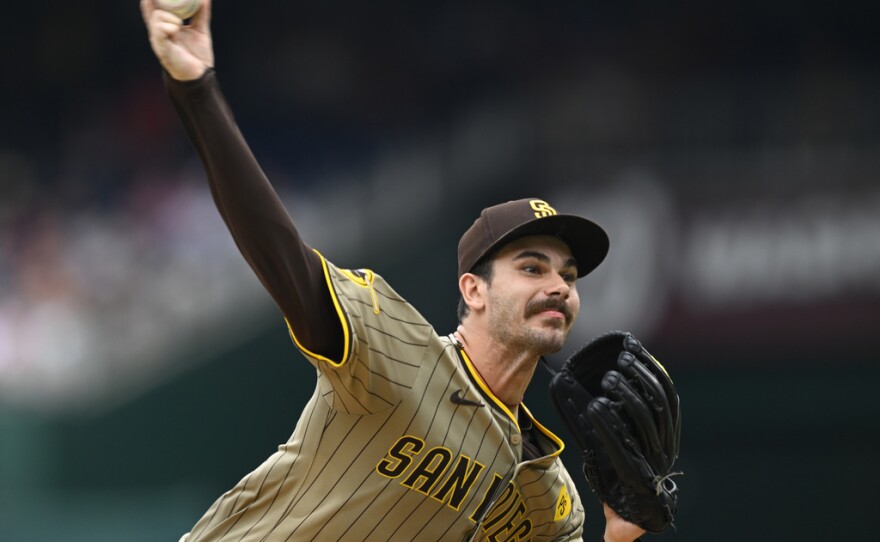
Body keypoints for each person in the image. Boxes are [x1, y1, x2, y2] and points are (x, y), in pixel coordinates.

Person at [142, 1, 647, 540]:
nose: (558, 287)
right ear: (474, 290)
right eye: (532, 267)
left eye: (569, 275)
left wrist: (618, 537)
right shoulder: (393, 350)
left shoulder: (548, 499)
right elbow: (277, 249)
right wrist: (197, 91)